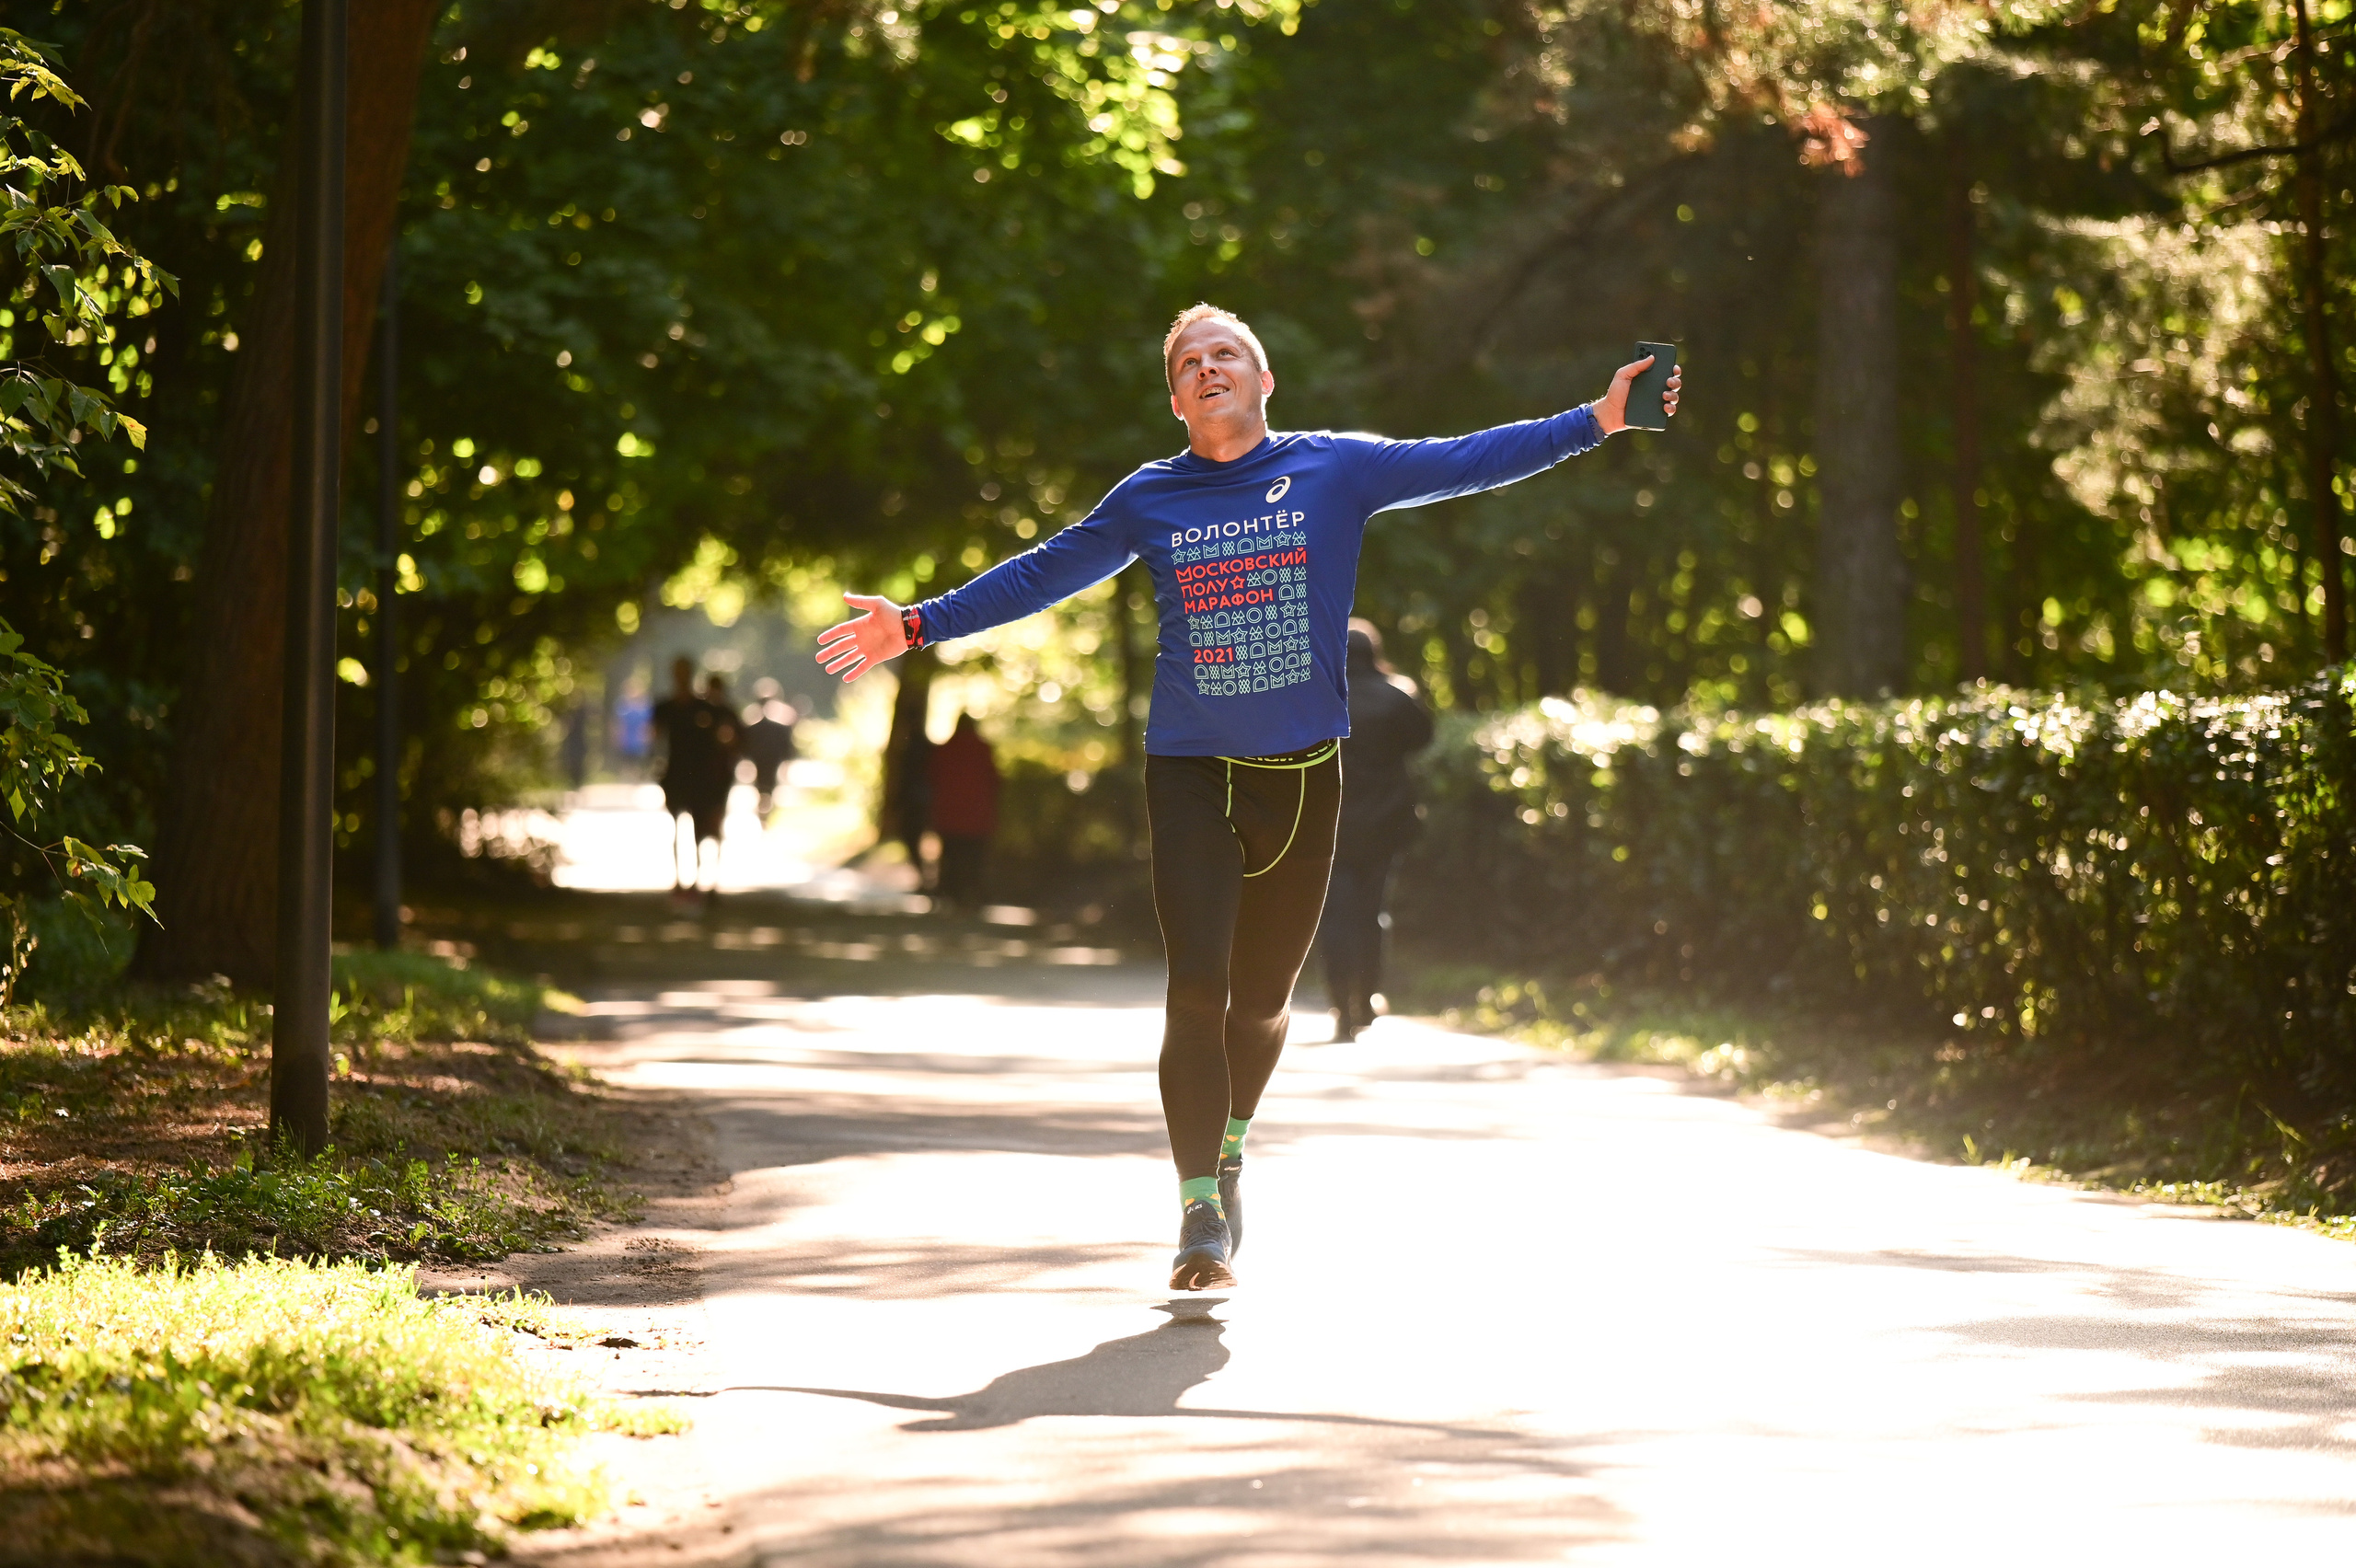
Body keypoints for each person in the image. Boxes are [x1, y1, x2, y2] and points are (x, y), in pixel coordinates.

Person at [816, 305, 1679, 1290]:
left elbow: (1464, 458)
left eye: (1226, 353)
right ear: (1176, 397)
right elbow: (1045, 572)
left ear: (1263, 383)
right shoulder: (1150, 497)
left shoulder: (1334, 469)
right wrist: (918, 624)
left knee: (1262, 1005)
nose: (1207, 365)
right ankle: (1196, 1217)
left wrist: (1596, 420)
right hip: (1188, 770)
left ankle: (1228, 1147)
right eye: (1188, 360)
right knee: (1195, 985)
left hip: (1304, 774)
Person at [1322, 620, 1433, 1043]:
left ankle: (1339, 1007)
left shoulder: (1321, 697)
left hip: (1331, 825)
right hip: (1385, 824)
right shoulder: (1396, 696)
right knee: (1372, 912)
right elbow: (1423, 738)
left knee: (1333, 914)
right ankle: (1367, 998)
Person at [653, 658, 735, 901]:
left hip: (700, 779)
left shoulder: (706, 709)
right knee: (677, 830)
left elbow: (725, 737)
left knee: (701, 831)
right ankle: (680, 880)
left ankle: (699, 881)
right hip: (675, 776)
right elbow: (654, 738)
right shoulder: (666, 708)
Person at [928, 712, 1000, 910]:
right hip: (977, 817)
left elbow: (934, 778)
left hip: (949, 816)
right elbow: (994, 780)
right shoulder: (983, 749)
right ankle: (972, 896)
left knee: (951, 858)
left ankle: (948, 894)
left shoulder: (945, 749)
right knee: (974, 859)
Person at [739, 680, 800, 820]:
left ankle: (765, 811)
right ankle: (764, 811)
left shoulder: (762, 722)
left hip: (768, 758)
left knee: (766, 785)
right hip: (764, 758)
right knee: (764, 785)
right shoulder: (770, 723)